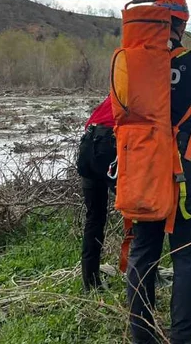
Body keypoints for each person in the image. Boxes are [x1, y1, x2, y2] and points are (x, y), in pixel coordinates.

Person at [125, 0, 191, 344]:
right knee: (186, 260)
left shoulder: (133, 63)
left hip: (143, 174)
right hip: (186, 174)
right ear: (181, 24)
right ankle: (182, 339)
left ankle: (142, 336)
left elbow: (119, 114)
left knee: (143, 255)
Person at [76, 96, 117, 292]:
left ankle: (90, 283)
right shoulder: (141, 89)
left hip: (89, 144)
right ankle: (144, 278)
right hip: (111, 145)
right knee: (140, 215)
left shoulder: (115, 92)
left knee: (94, 217)